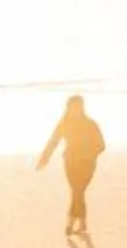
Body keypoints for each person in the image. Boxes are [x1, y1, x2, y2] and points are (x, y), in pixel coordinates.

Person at [35, 95, 106, 237]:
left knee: (78, 192)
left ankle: (74, 222)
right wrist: (44, 158)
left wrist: (91, 154)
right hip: (70, 162)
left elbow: (101, 145)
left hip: (88, 164)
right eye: (74, 107)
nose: (76, 110)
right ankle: (79, 223)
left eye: (79, 106)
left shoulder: (91, 124)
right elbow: (54, 141)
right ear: (68, 108)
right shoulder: (64, 123)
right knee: (77, 191)